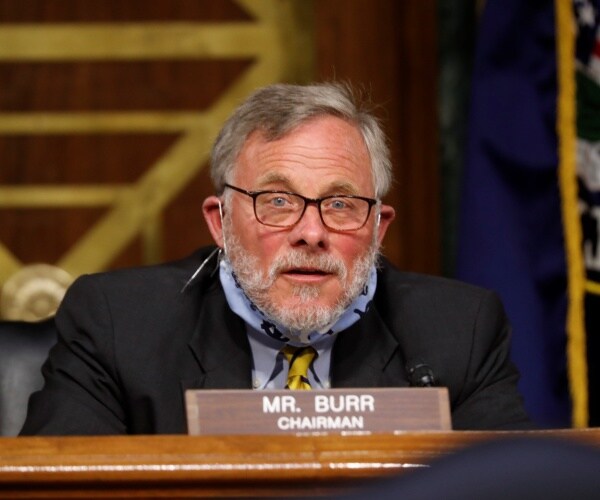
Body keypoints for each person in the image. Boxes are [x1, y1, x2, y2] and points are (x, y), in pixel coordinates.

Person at [20, 82, 530, 435]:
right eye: (278, 202)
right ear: (219, 221)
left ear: (377, 226)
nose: (311, 233)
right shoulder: (118, 324)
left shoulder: (460, 331)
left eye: (340, 204)